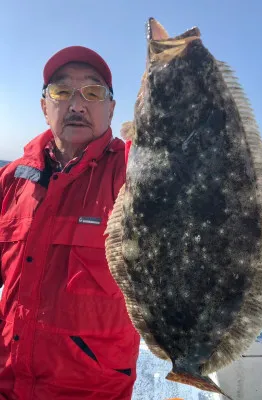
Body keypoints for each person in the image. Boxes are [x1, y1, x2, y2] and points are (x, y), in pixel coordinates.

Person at [0, 46, 140, 399]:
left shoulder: (134, 173)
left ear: (111, 109)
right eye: (62, 91)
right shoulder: (11, 179)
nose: (77, 105)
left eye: (93, 92)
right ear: (45, 107)